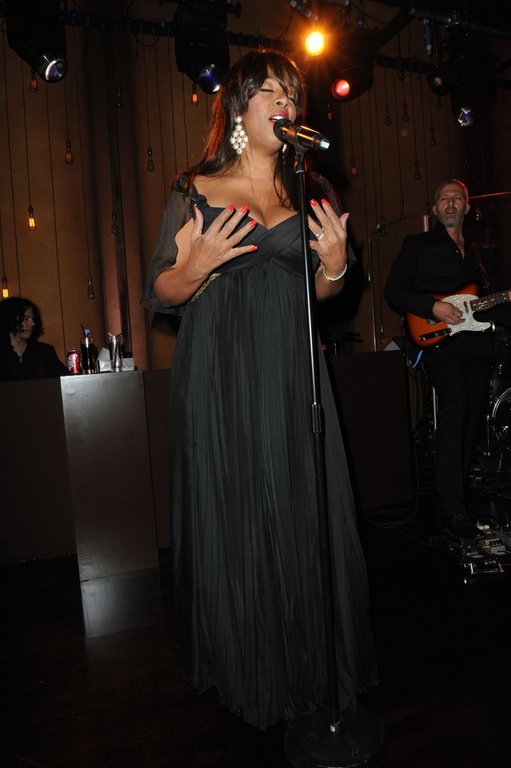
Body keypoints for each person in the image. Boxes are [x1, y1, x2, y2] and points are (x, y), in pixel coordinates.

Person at [142, 49, 377, 730]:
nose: (284, 102)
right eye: (269, 90)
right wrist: (198, 266)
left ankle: (308, 661)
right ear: (238, 107)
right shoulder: (196, 187)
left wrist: (335, 267)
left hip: (291, 367)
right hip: (219, 373)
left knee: (300, 498)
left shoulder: (310, 187)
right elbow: (161, 289)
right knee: (234, 500)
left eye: (291, 94)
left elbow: (324, 295)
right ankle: (244, 661)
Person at [384, 178, 511, 540]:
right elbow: (393, 290)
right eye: (444, 199)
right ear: (435, 209)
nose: (451, 203)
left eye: (457, 198)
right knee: (456, 410)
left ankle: (458, 502)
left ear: (467, 208)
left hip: (478, 346)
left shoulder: (482, 255)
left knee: (471, 420)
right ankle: (453, 509)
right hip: (441, 344)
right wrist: (433, 307)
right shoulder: (418, 245)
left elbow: (492, 304)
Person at [0, 296, 69, 381]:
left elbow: (66, 379)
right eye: (26, 318)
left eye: (33, 319)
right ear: (10, 319)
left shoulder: (45, 352)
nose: (32, 323)